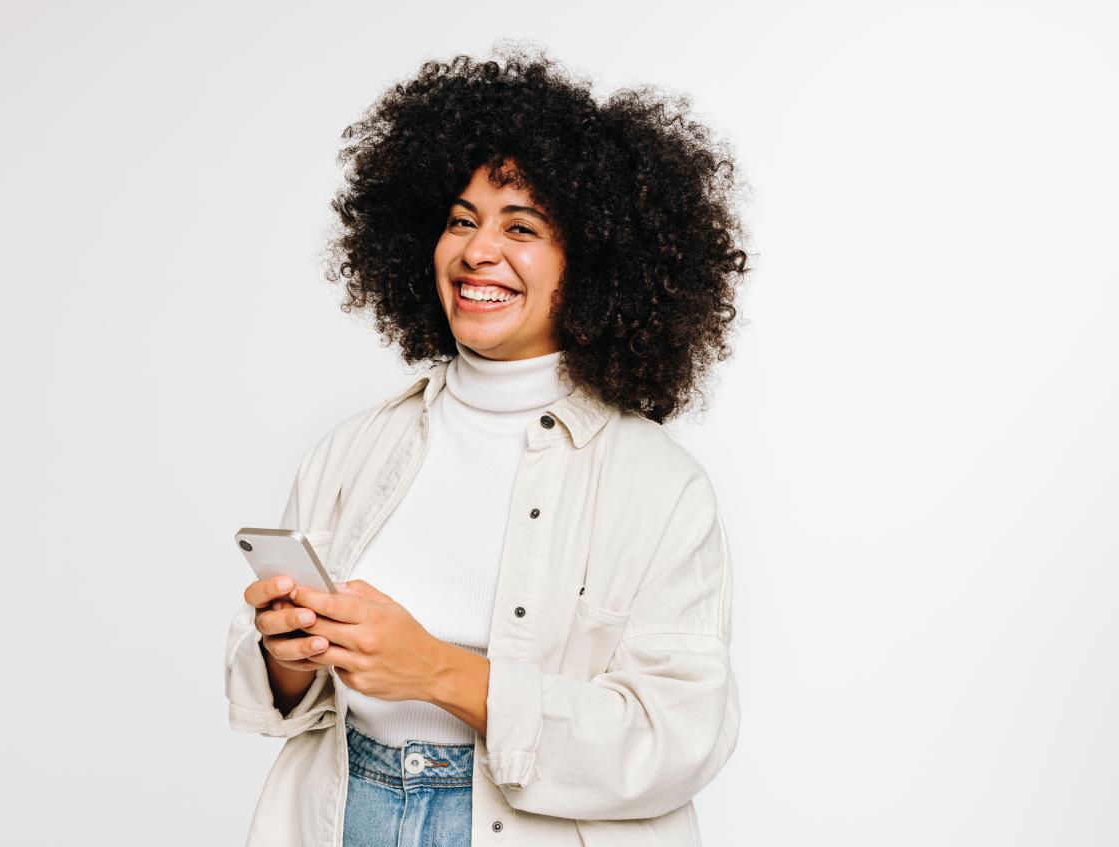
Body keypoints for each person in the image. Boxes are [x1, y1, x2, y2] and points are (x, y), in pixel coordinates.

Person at [224, 46, 751, 847]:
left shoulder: (660, 487)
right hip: (344, 811)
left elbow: (676, 740)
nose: (478, 252)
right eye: (461, 220)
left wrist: (437, 670)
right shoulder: (355, 449)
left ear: (596, 263)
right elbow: (283, 695)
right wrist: (290, 654)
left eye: (522, 228)